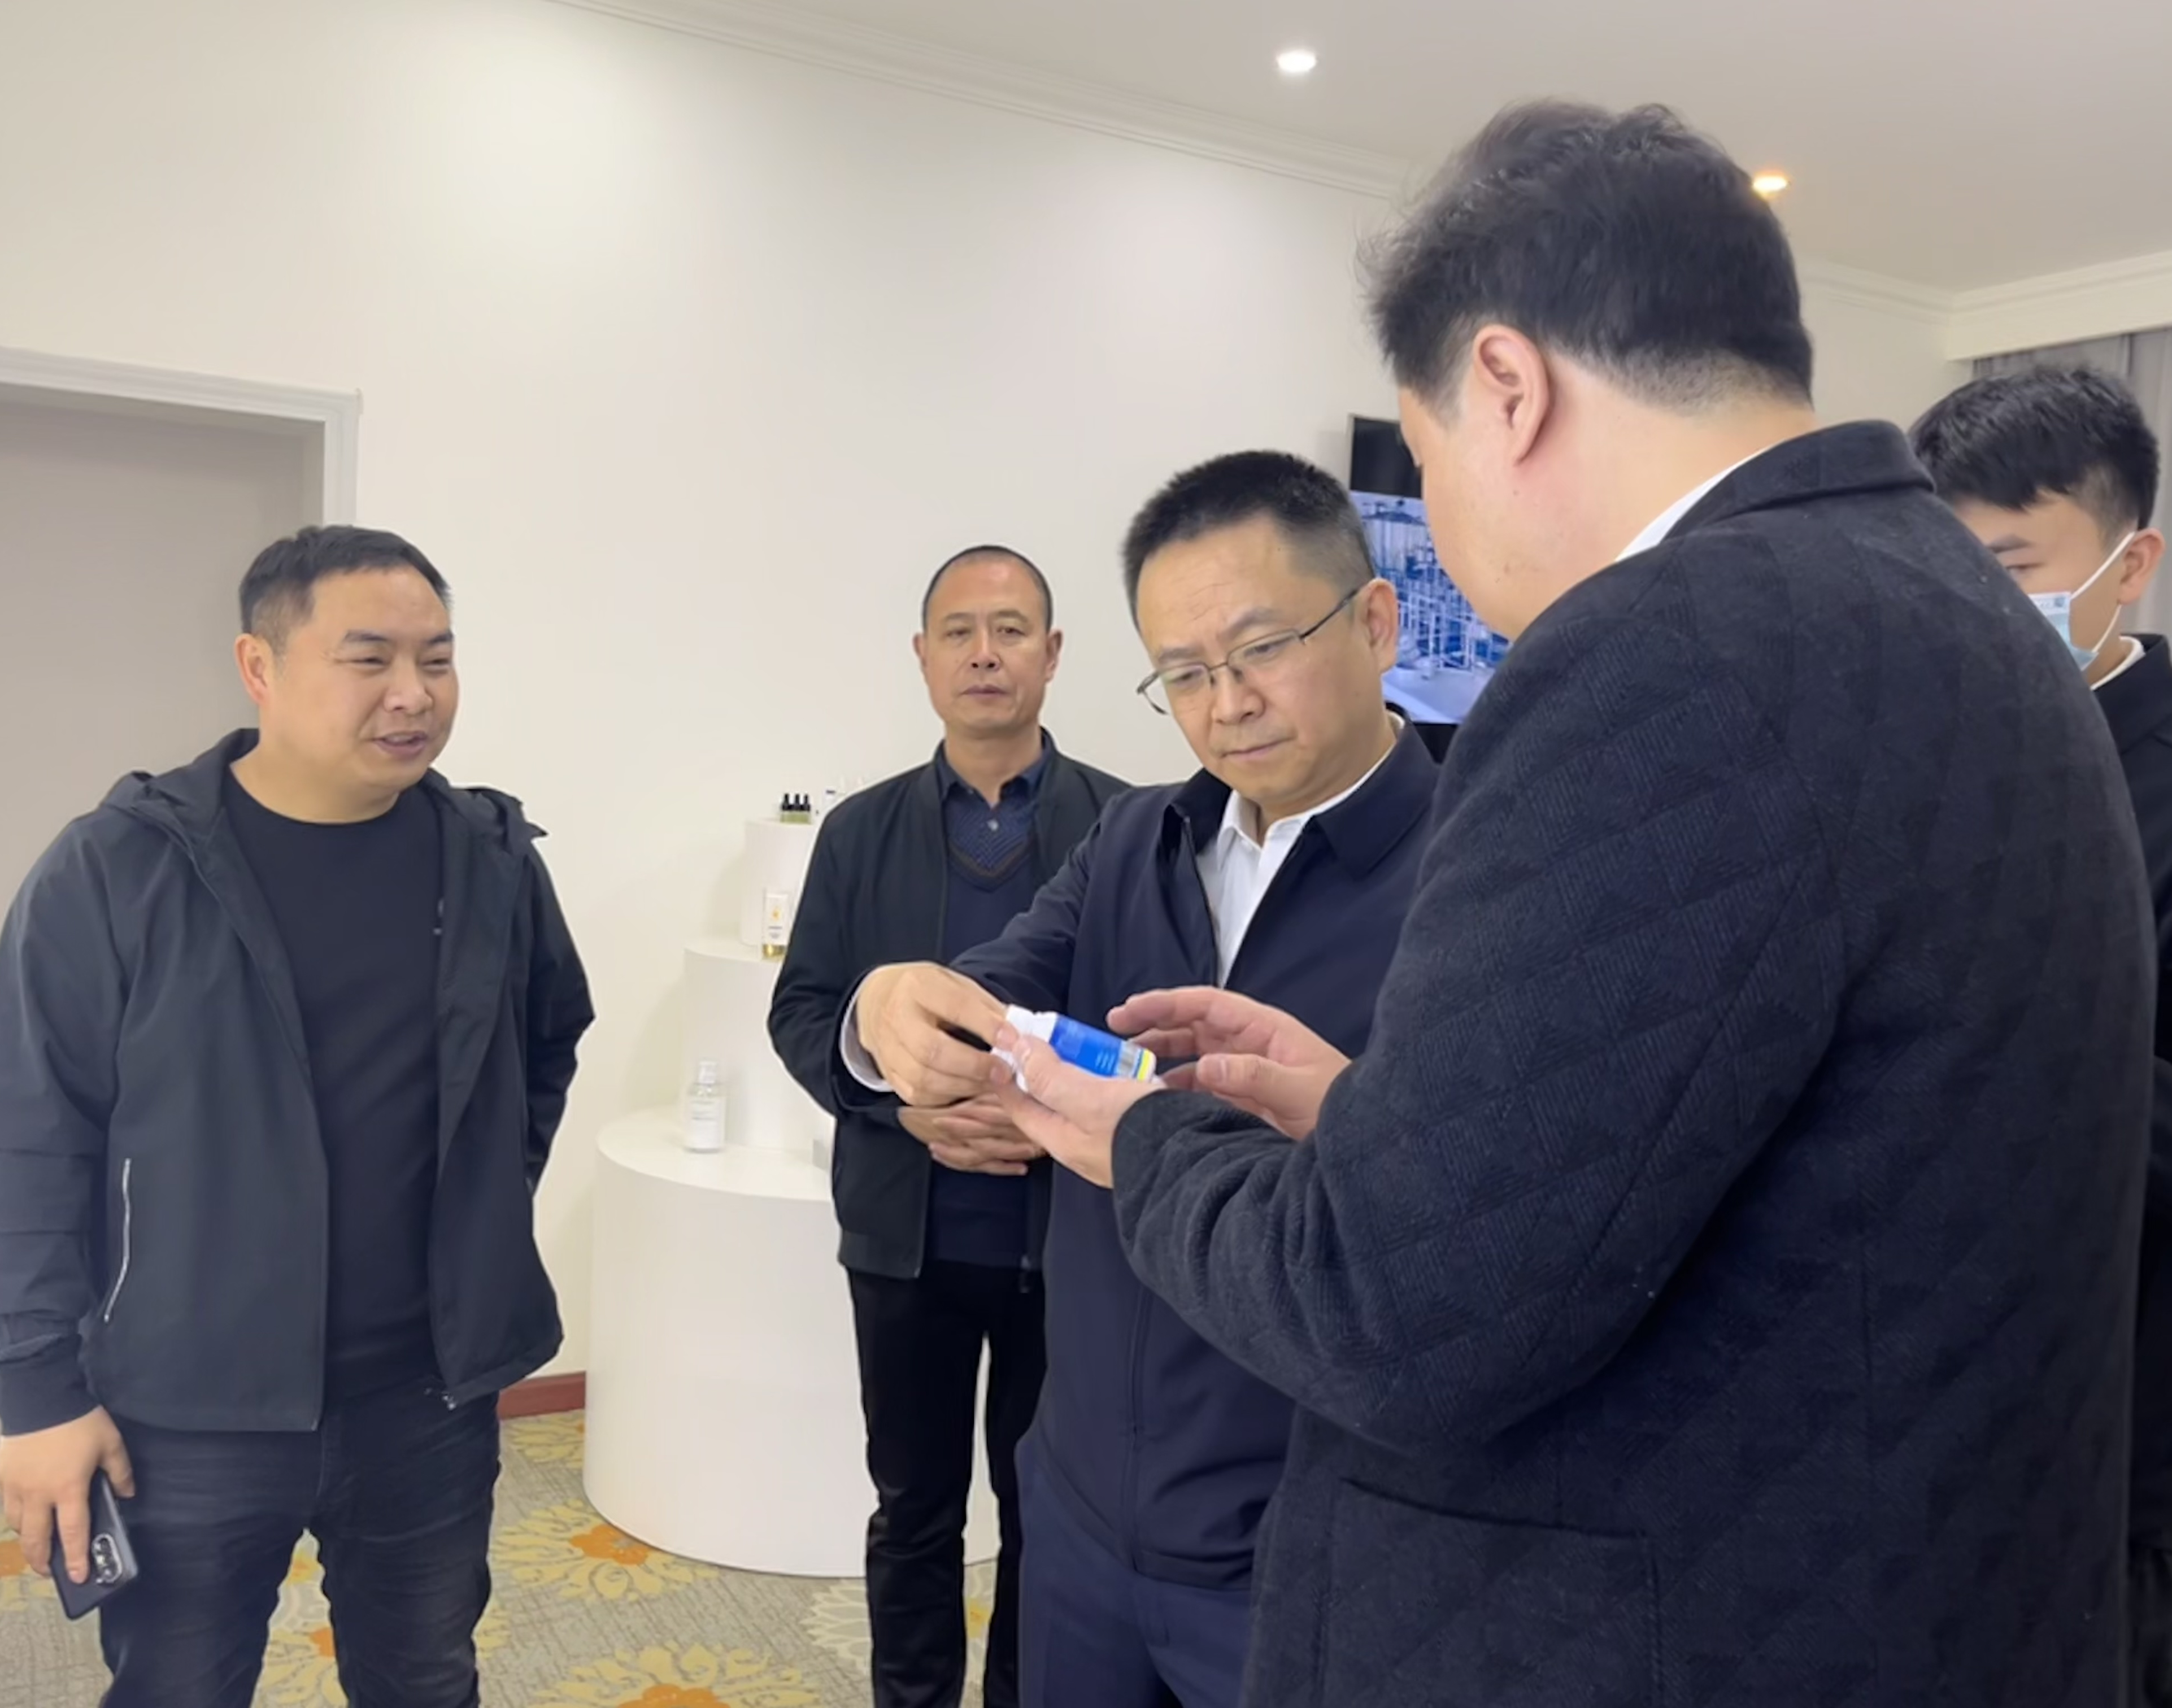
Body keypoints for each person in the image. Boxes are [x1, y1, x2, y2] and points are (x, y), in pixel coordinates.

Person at [915, 102, 2152, 1708]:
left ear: (1506, 386)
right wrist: (1375, 1120)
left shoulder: (1665, 653)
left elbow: (1388, 1314)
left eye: (1423, 463)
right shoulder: (1960, 621)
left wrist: (1140, 1134)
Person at [0, 525, 594, 1708]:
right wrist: (38, 1391)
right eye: (370, 659)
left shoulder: (491, 861)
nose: (414, 694)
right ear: (260, 667)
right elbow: (21, 1138)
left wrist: (481, 1208)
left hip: (426, 1397)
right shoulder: (118, 870)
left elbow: (543, 1044)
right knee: (179, 1688)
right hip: (188, 1406)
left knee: (425, 1681)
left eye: (438, 658)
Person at [843, 453, 1438, 1708]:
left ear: (1377, 624)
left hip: (1310, 1548)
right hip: (1084, 1517)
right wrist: (888, 1006)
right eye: (1183, 673)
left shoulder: (1474, 879)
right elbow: (993, 990)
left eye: (1261, 649)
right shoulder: (1135, 840)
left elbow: (1494, 1217)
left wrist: (1355, 1125)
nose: (1227, 705)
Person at [768, 546, 1124, 1708]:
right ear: (922, 658)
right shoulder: (858, 831)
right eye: (959, 632)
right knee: (914, 1509)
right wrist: (901, 1100)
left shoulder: (1129, 828)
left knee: (1048, 1515)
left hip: (1069, 1241)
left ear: (1053, 655)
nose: (984, 654)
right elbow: (804, 1013)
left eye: (1011, 630)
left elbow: (1149, 1025)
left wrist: (1053, 1115)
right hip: (904, 1242)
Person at [1909, 364, 2172, 1703]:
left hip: (2120, 1435)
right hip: (1921, 1418)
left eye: (2013, 570)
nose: (1971, 607)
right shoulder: (1910, 757)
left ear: (2133, 567)